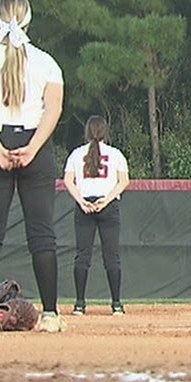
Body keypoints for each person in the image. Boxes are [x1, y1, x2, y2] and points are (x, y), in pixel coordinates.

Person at [0, 0, 64, 333]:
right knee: (42, 232)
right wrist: (33, 148)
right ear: (28, 19)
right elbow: (53, 110)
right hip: (35, 144)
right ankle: (51, 314)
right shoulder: (46, 62)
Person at [63, 115, 130, 316]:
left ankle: (80, 304)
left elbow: (68, 180)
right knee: (112, 256)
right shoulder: (115, 154)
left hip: (85, 206)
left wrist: (82, 201)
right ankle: (116, 303)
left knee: (82, 256)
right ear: (105, 132)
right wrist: (107, 200)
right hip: (107, 206)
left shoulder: (76, 154)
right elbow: (123, 181)